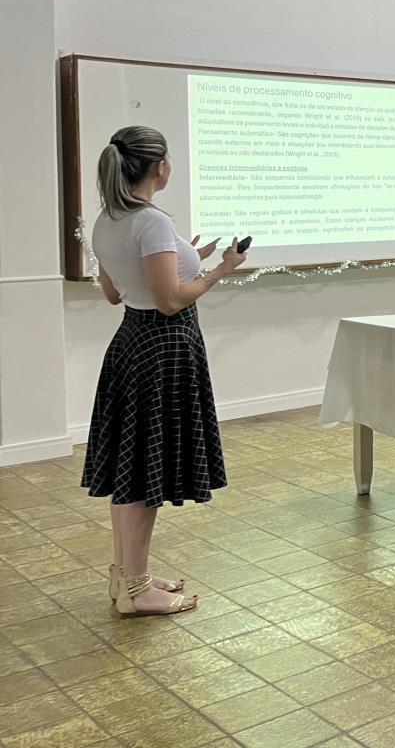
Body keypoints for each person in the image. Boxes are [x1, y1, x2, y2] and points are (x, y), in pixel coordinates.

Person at [82, 125, 246, 616]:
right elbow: (171, 301)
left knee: (132, 469)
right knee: (143, 474)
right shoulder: (149, 222)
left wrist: (186, 254)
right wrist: (219, 270)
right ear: (160, 167)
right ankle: (136, 591)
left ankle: (128, 577)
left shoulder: (107, 219)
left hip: (131, 343)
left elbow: (115, 294)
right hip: (163, 347)